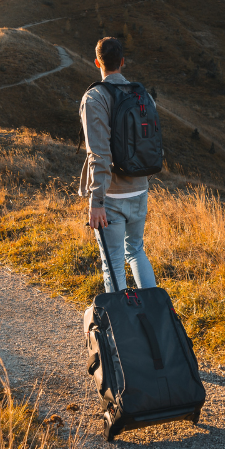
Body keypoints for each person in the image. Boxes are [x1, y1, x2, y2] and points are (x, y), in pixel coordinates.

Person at [79, 36, 157, 293]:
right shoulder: (142, 95)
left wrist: (96, 202)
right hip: (140, 188)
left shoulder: (95, 98)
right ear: (122, 62)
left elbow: (99, 154)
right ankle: (154, 310)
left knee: (112, 262)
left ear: (97, 62)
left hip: (111, 195)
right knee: (136, 250)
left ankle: (121, 319)